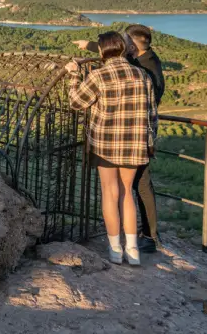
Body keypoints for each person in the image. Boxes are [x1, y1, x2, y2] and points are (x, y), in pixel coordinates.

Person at [65, 31, 158, 266]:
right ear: (123, 49)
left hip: (106, 143)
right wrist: (149, 143)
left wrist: (75, 76)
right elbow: (152, 116)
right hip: (135, 144)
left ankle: (116, 249)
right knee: (128, 193)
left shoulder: (99, 75)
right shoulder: (142, 76)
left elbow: (76, 102)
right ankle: (134, 250)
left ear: (101, 51)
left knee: (109, 192)